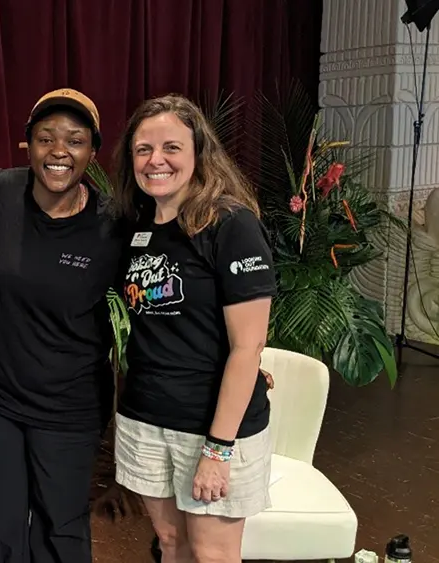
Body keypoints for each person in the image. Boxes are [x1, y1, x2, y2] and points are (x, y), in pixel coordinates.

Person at [0, 89, 125, 563]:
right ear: (27, 146)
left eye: (74, 140)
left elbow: (164, 293)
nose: (59, 151)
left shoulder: (114, 223)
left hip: (70, 405)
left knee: (61, 529)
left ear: (92, 152)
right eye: (46, 138)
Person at [110, 93, 276, 563]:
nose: (155, 160)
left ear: (198, 153)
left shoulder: (231, 224)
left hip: (211, 427)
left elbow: (249, 346)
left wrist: (218, 450)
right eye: (143, 149)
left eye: (171, 147)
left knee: (212, 554)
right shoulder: (136, 225)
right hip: (146, 416)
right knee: (170, 544)